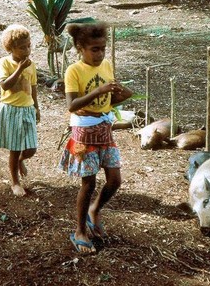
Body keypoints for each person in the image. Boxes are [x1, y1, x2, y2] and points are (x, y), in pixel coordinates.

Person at [59, 21, 133, 253]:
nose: (100, 54)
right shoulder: (74, 71)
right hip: (84, 131)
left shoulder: (107, 65)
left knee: (115, 180)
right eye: (94, 49)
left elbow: (108, 101)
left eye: (102, 48)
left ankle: (95, 209)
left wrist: (122, 94)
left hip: (104, 127)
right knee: (88, 182)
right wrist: (97, 92)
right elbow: (72, 105)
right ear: (80, 48)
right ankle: (80, 230)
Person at [0, 24, 40, 196]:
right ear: (11, 48)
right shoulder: (4, 63)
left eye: (29, 45)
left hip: (27, 109)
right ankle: (15, 182)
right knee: (14, 147)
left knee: (31, 148)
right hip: (11, 109)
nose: (27, 50)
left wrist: (36, 107)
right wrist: (19, 68)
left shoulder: (31, 65)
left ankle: (21, 160)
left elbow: (33, 87)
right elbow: (5, 85)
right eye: (22, 48)